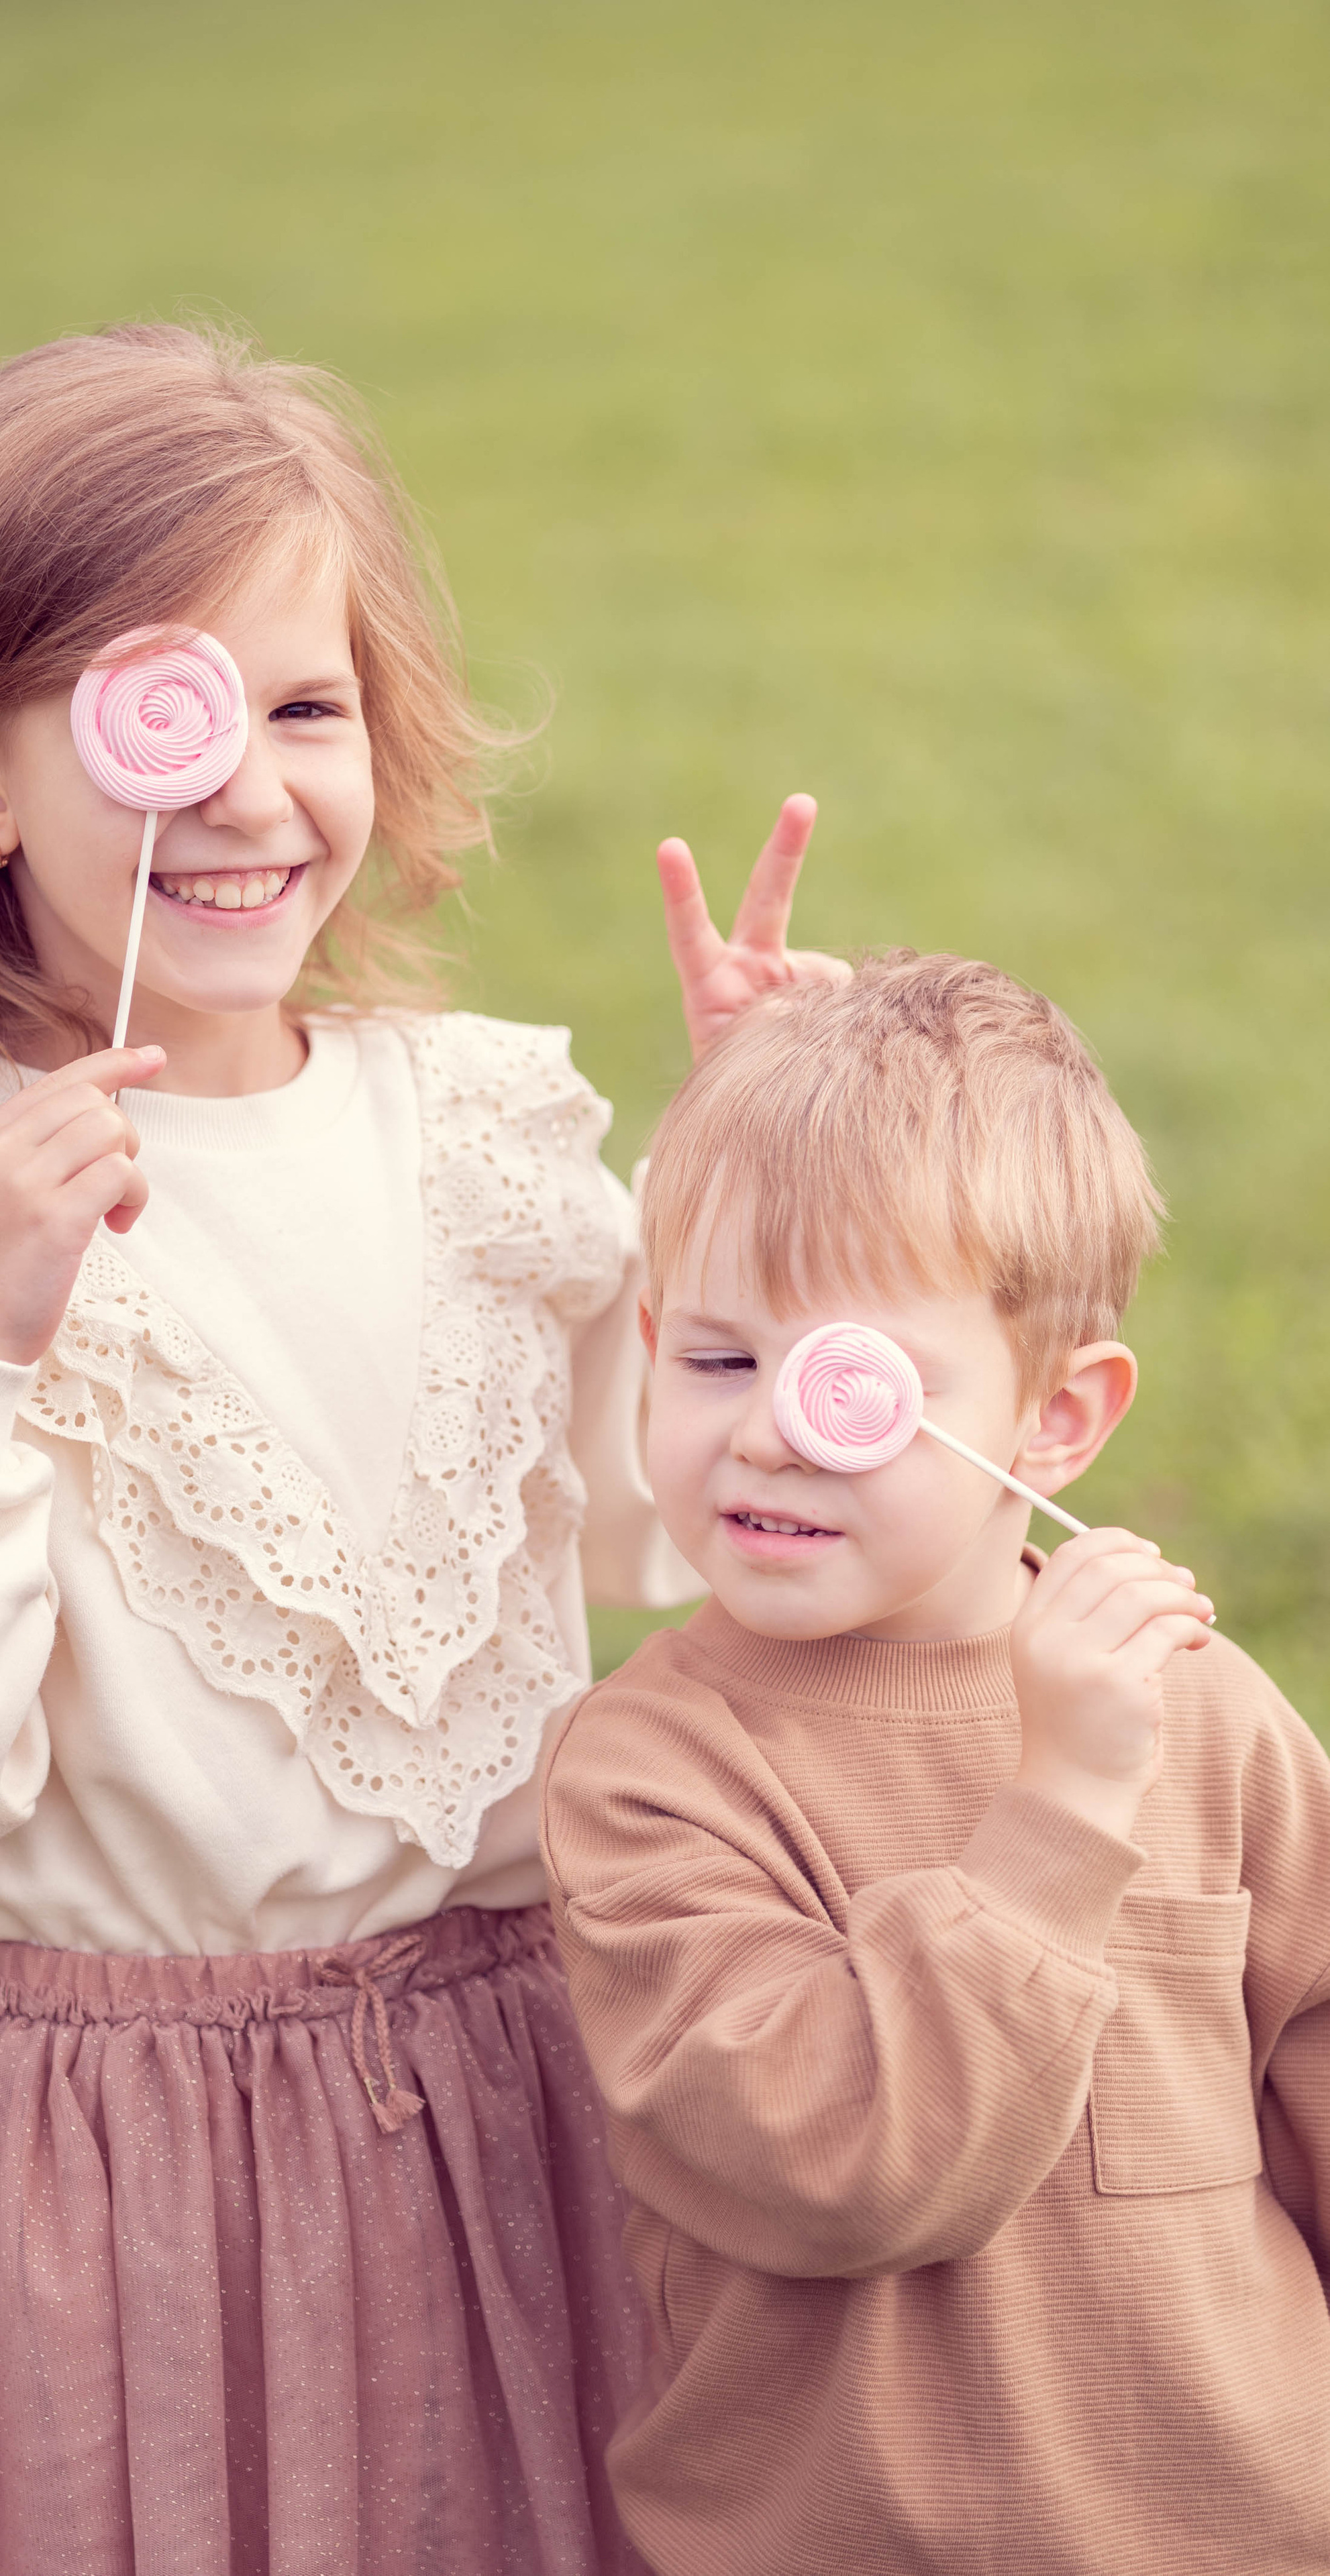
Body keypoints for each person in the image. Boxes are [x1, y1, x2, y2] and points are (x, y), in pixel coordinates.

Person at [0, 319, 841, 2576]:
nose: (249, 793)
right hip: (97, 2200)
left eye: (307, 709)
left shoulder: (484, 1147)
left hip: (521, 2133)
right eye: (155, 716)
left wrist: (740, 1199)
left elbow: (698, 1538)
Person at [542, 950, 1330, 2576]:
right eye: (711, 1359)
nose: (762, 1431)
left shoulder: (1193, 1703)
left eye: (855, 1390)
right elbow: (833, 2167)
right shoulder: (649, 1775)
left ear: (1051, 1422)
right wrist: (1051, 1821)